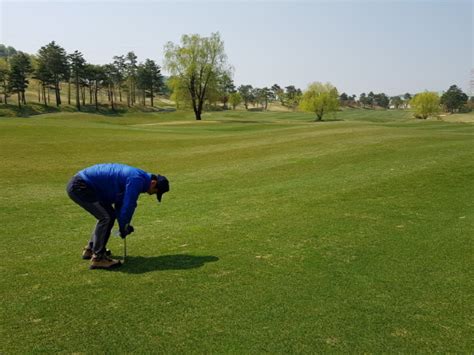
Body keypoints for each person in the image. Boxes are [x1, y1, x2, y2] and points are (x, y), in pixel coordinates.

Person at [66, 163, 169, 270]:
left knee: (108, 215)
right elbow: (128, 205)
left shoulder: (139, 179)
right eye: (155, 191)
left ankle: (91, 249)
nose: (151, 194)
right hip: (80, 186)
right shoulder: (136, 180)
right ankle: (98, 259)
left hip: (83, 185)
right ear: (153, 183)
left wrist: (123, 226)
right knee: (106, 217)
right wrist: (124, 227)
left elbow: (120, 204)